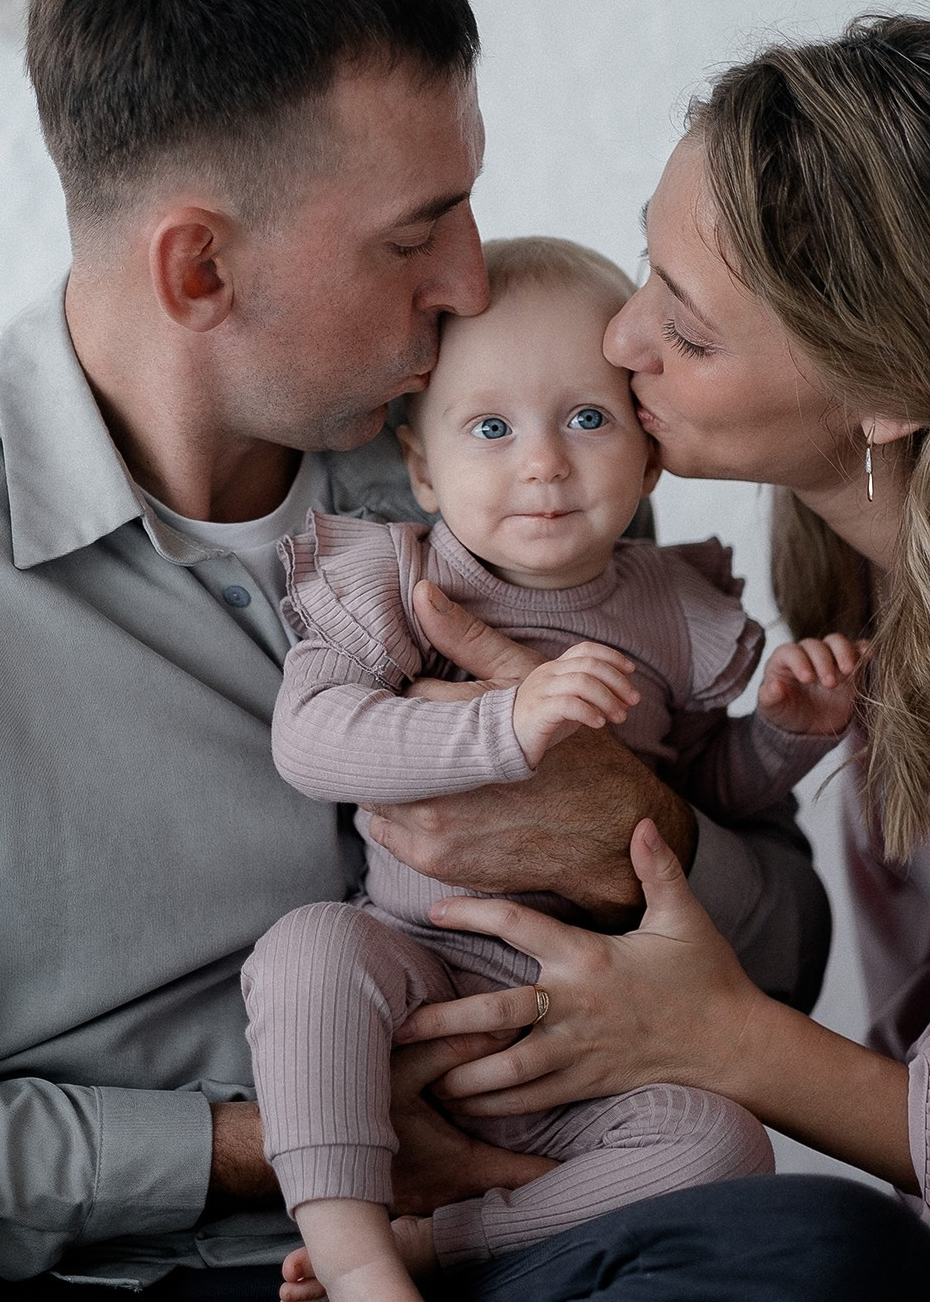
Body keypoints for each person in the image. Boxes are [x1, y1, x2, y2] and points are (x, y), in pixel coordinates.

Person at [0, 0, 829, 1297]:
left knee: (822, 1248)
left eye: (468, 207)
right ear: (197, 272)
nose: (473, 280)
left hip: (533, 1200)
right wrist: (265, 1147)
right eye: (413, 232)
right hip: (120, 1258)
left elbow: (790, 951)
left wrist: (636, 829)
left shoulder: (482, 459)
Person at [387, 14, 930, 1296]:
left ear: (883, 394)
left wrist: (715, 1035)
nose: (620, 342)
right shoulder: (829, 588)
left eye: (686, 330)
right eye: (645, 267)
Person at [242, 234, 863, 1302]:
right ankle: (356, 1260)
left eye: (587, 418)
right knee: (305, 955)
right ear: (423, 468)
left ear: (649, 450)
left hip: (598, 1015)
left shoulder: (673, 608)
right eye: (490, 428)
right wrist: (504, 724)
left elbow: (708, 796)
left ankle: (460, 1241)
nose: (543, 462)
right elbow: (311, 740)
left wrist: (786, 736)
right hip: (414, 967)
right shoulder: (400, 580)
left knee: (724, 1144)